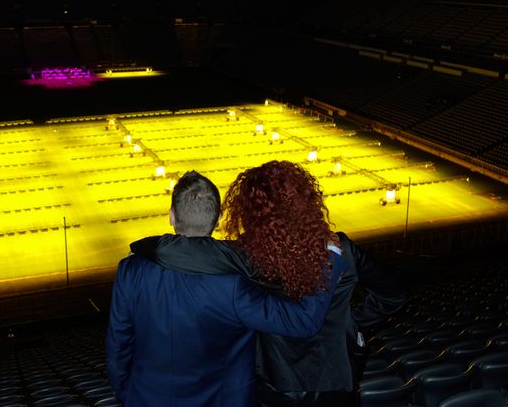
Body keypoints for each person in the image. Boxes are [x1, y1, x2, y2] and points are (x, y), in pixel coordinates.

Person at [132, 160, 408, 406]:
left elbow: (175, 250)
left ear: (250, 214)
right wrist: (352, 322)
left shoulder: (248, 256)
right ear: (304, 202)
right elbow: (395, 294)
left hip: (276, 381)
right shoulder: (342, 250)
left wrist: (143, 245)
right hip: (337, 378)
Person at [106, 170, 347, 407]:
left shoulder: (130, 270)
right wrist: (331, 254)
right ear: (219, 217)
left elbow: (118, 344)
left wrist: (126, 392)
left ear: (171, 216)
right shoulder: (234, 284)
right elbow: (302, 321)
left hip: (144, 398)